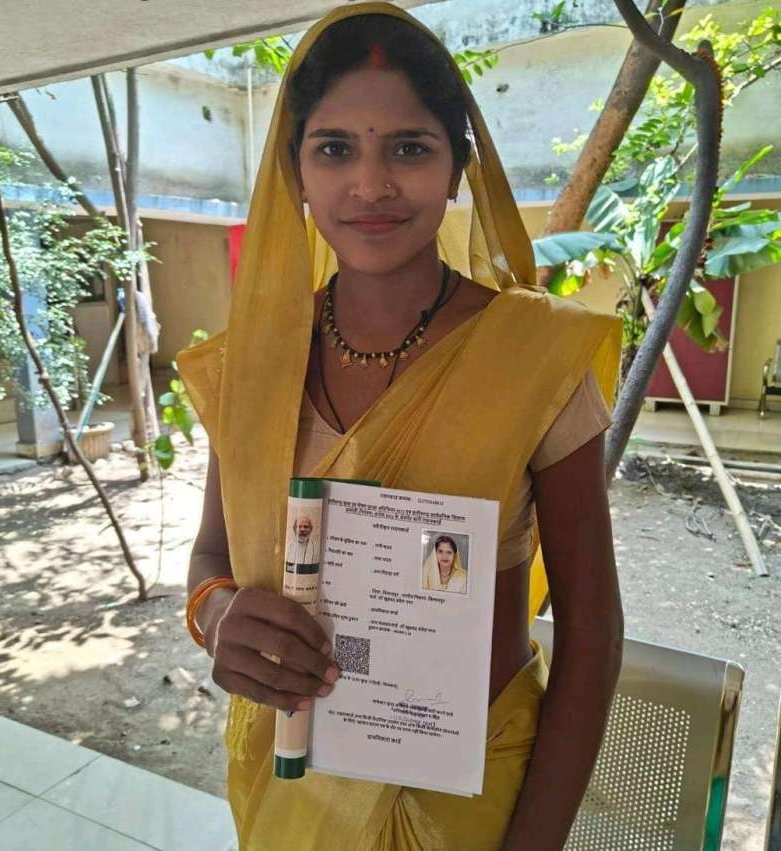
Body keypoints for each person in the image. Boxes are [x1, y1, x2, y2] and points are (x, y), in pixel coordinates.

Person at [180, 4, 624, 849]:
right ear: (295, 172)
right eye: (334, 149)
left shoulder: (535, 356)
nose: (371, 185)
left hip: (470, 806)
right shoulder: (256, 364)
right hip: (290, 793)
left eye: (410, 149)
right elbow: (211, 558)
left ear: (457, 167)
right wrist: (217, 614)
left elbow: (593, 633)